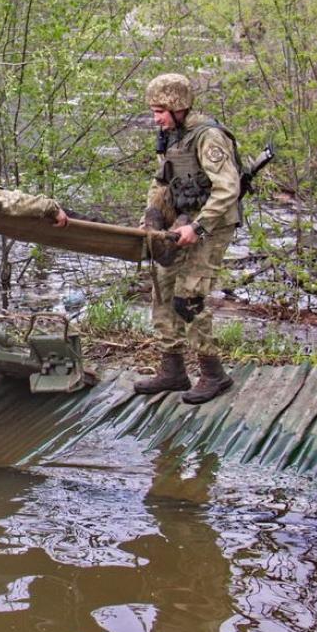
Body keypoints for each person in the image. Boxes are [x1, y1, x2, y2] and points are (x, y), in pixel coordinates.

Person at [134, 73, 242, 405]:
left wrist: (197, 227)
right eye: (154, 112)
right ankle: (173, 370)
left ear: (178, 106)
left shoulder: (208, 137)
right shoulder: (171, 136)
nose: (156, 119)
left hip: (211, 225)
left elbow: (228, 188)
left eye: (160, 112)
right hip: (178, 222)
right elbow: (161, 181)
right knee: (163, 288)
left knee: (189, 297)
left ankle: (213, 374)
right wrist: (152, 216)